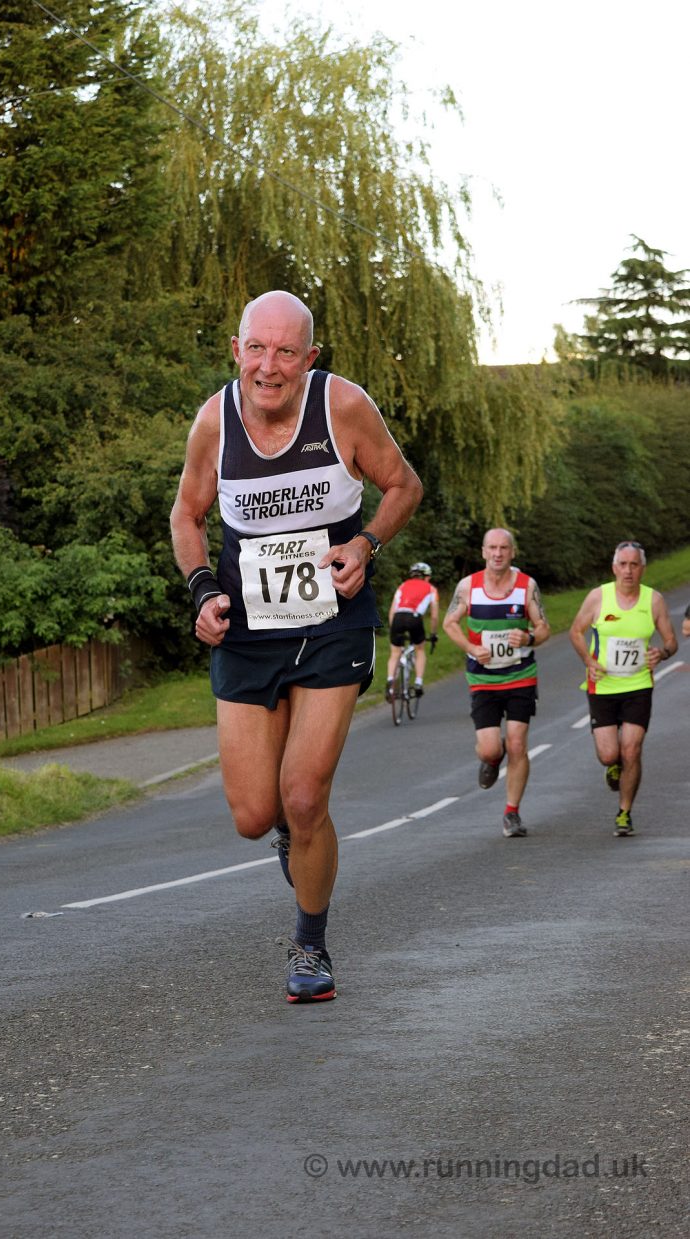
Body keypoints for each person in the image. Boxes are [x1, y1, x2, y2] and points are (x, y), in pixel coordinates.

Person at [170, 290, 422, 1002]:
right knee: (256, 815)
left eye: (286, 351)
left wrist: (366, 544)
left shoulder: (341, 408)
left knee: (306, 793)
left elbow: (404, 483)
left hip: (331, 623)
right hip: (248, 632)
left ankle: (311, 944)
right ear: (235, 349)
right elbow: (186, 515)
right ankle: (288, 826)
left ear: (310, 358)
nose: (269, 366)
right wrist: (200, 590)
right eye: (257, 348)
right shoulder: (213, 423)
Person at [442, 528, 550, 838]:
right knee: (491, 749)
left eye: (504, 548)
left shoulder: (526, 586)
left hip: (520, 676)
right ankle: (491, 760)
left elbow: (543, 628)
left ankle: (511, 813)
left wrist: (529, 636)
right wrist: (471, 648)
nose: (498, 553)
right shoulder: (469, 587)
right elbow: (450, 622)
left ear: (512, 552)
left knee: (517, 743)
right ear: (483, 552)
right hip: (483, 678)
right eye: (492, 548)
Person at [569, 540, 677, 837]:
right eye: (623, 564)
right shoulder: (598, 597)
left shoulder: (653, 600)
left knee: (632, 748)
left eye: (634, 565)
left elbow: (671, 641)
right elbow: (575, 631)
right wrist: (589, 661)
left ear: (643, 568)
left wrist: (662, 653)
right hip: (602, 685)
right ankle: (612, 765)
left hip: (638, 684)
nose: (628, 571)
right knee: (609, 754)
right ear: (614, 567)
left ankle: (624, 812)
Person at [385, 562, 439, 701]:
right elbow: (434, 616)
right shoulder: (431, 588)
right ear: (425, 576)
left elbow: (392, 612)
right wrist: (433, 634)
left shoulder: (402, 586)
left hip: (398, 618)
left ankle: (390, 682)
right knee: (420, 649)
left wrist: (393, 630)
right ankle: (418, 683)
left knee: (395, 652)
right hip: (414, 618)